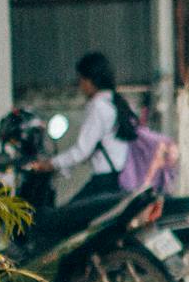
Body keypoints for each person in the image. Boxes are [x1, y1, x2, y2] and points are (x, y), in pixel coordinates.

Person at [31, 51, 136, 203]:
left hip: (104, 183)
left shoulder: (98, 106)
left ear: (90, 81)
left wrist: (50, 164)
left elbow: (81, 151)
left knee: (65, 219)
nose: (80, 86)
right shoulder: (115, 102)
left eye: (80, 80)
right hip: (118, 179)